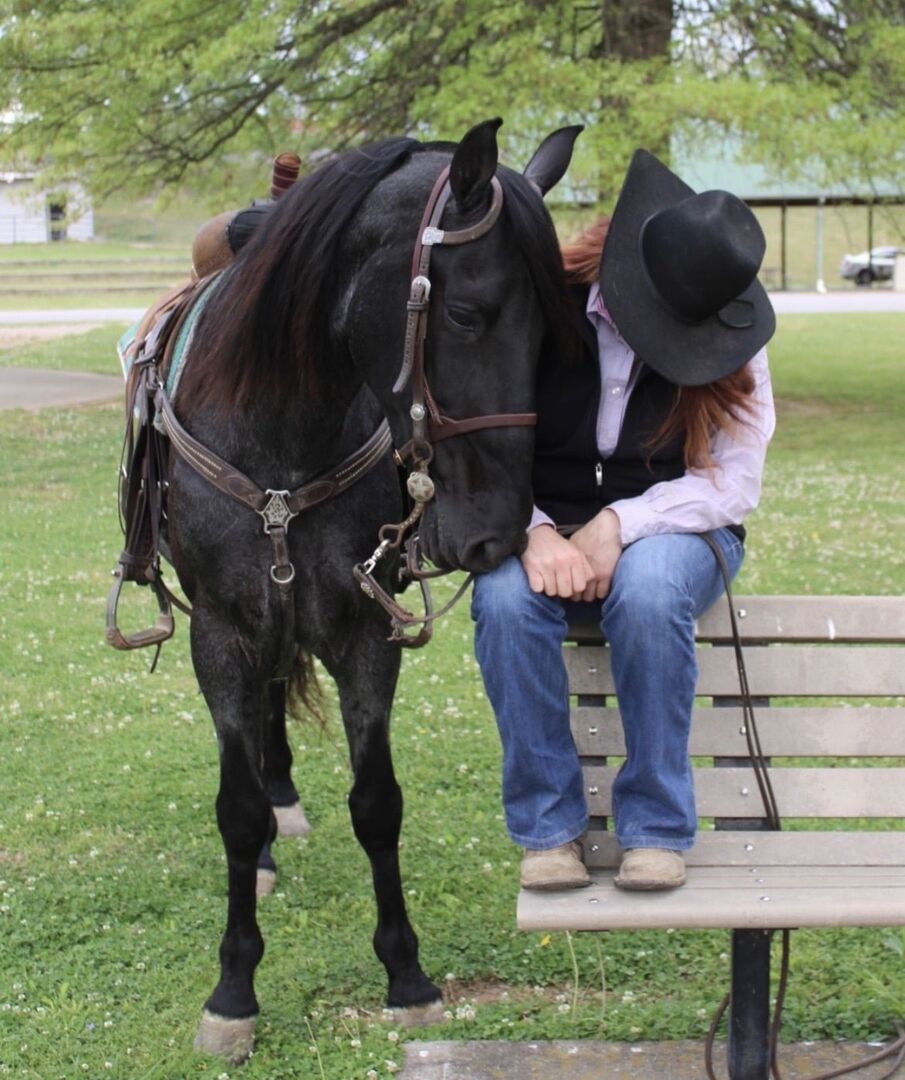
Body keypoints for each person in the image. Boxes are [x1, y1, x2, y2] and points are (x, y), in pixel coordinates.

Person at [470, 148, 777, 892]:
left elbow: (734, 483)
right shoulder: (539, 307)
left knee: (647, 590)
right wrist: (532, 531)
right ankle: (548, 832)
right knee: (504, 601)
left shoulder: (732, 337)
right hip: (538, 520)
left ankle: (656, 829)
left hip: (677, 531)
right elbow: (481, 445)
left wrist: (619, 525)